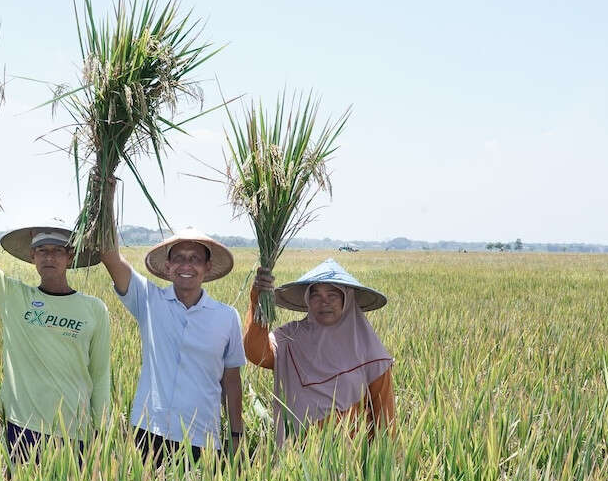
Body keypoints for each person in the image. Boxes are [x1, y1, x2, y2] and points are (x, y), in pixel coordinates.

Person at [0, 162, 111, 463]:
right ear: (32, 257)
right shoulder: (14, 296)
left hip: (75, 431)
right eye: (43, 250)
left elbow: (101, 375)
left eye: (58, 250)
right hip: (22, 429)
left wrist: (101, 432)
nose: (50, 257)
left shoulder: (94, 309)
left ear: (70, 256)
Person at [94, 179, 245, 465]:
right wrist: (106, 193)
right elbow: (109, 255)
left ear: (207, 267)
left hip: (202, 437)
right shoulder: (149, 301)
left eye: (195, 259)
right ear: (168, 266)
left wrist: (236, 436)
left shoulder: (226, 318)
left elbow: (232, 382)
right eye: (179, 259)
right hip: (148, 433)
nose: (186, 266)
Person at [243, 258, 395, 445]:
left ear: (347, 300)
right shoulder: (290, 337)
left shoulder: (370, 352)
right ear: (307, 299)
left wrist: (383, 465)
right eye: (316, 295)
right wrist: (258, 300)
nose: (324, 303)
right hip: (296, 458)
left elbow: (385, 419)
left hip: (348, 461)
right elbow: (257, 354)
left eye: (332, 295)